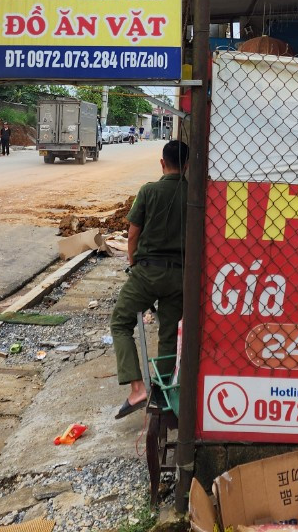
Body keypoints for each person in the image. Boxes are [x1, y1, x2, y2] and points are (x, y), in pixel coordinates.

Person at [110, 139, 189, 419]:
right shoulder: (195, 195)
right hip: (181, 275)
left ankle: (137, 388)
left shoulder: (149, 190)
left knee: (121, 322)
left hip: (147, 272)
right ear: (187, 165)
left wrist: (133, 263)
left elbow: (133, 233)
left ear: (162, 163)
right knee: (169, 332)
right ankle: (163, 393)